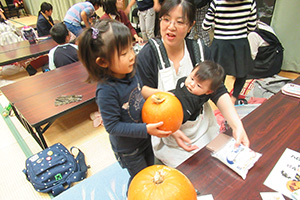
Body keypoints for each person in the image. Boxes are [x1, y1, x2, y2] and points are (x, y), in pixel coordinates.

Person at [136, 0, 249, 168]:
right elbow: (144, 92)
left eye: (180, 22)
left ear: (190, 26)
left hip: (203, 130)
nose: (171, 26)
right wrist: (172, 128)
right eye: (166, 19)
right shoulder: (149, 54)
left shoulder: (200, 50)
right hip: (167, 137)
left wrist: (236, 125)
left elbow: (217, 90)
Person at [77, 19, 172, 188]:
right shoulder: (106, 91)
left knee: (152, 169)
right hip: (128, 149)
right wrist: (145, 129)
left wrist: (158, 94)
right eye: (123, 53)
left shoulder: (129, 71)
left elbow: (139, 89)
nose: (132, 56)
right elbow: (112, 127)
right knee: (143, 180)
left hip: (144, 138)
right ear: (103, 62)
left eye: (131, 48)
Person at [202, 0, 257, 104]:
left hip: (220, 44)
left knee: (219, 72)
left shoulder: (217, 2)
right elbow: (252, 27)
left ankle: (221, 97)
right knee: (242, 72)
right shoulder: (250, 2)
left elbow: (205, 26)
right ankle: (234, 97)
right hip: (240, 43)